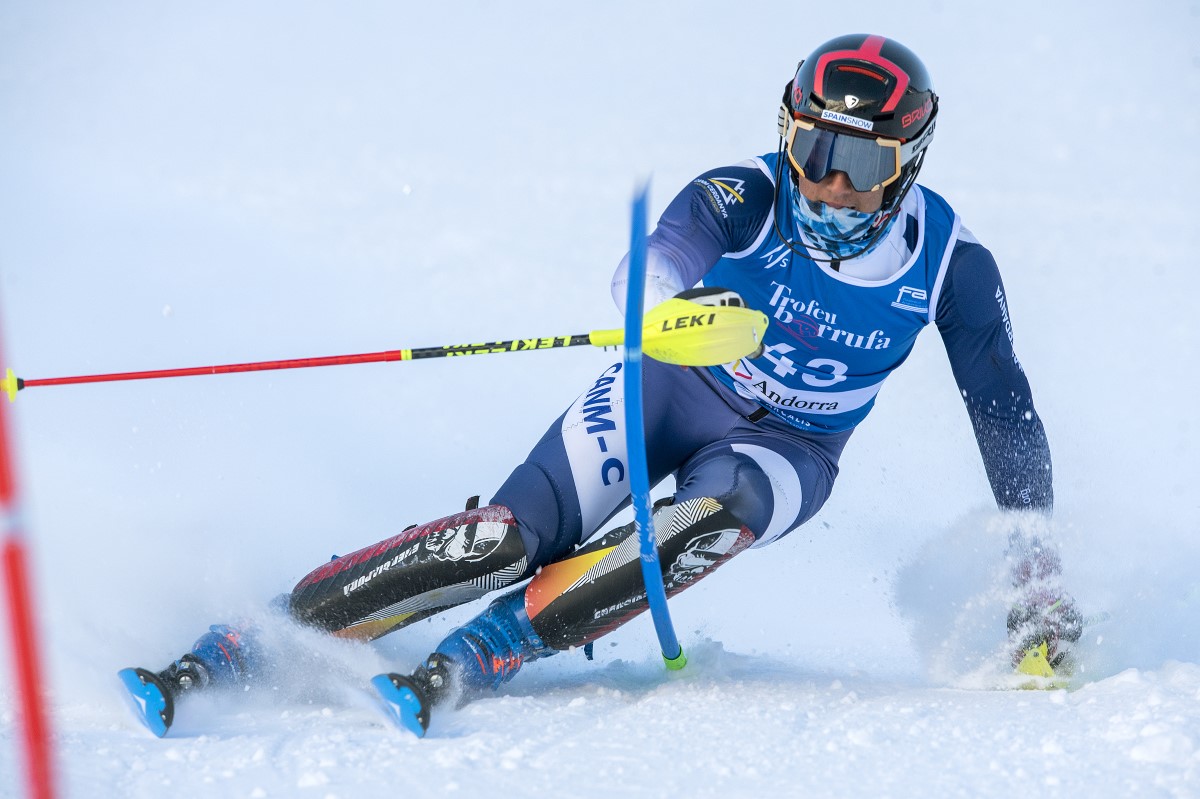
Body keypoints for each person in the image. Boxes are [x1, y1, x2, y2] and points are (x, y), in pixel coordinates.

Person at [123, 33, 1082, 737]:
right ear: (786, 136)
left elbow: (1005, 414)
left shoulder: (953, 267)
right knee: (498, 540)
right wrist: (656, 302)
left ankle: (496, 644)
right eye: (813, 154)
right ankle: (258, 634)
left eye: (860, 166)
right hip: (670, 385)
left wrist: (1037, 569)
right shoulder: (741, 194)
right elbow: (658, 258)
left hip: (789, 448)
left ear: (907, 166)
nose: (829, 187)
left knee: (716, 510)